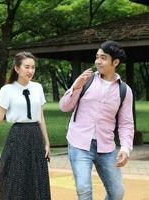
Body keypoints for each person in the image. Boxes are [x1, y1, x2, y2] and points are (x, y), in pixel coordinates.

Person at [0, 51, 51, 200]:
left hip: (35, 135)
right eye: (27, 67)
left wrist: (47, 142)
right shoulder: (7, 90)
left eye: (33, 67)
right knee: (15, 178)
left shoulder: (38, 88)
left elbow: (41, 117)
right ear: (17, 68)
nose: (30, 71)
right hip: (17, 136)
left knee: (36, 178)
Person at [59, 40, 134, 200]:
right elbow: (64, 107)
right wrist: (76, 86)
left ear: (115, 62)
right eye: (97, 57)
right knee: (84, 189)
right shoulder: (86, 80)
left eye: (103, 58)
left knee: (117, 192)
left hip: (106, 148)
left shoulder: (124, 91)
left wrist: (126, 148)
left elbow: (126, 123)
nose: (98, 61)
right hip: (79, 143)